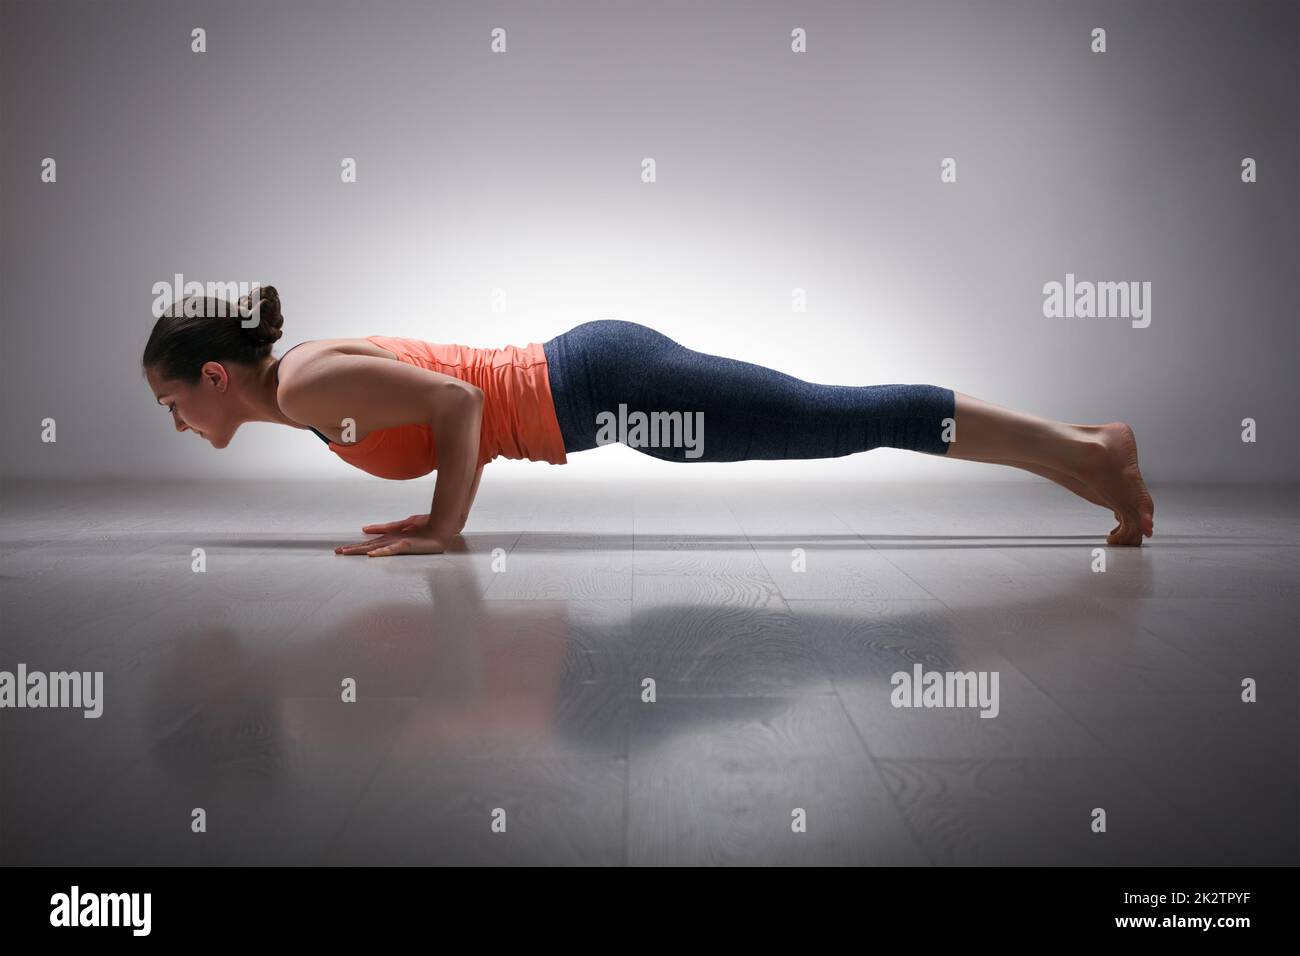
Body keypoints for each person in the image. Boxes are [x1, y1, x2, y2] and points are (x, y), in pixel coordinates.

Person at [142, 286, 1154, 557]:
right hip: (602, 397)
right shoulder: (312, 391)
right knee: (830, 418)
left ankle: (1084, 452)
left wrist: (448, 525)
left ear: (217, 376)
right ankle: (1079, 455)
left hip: (599, 384)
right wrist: (436, 513)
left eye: (174, 399)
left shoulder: (312, 383)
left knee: (837, 417)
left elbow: (458, 402)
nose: (177, 420)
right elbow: (450, 406)